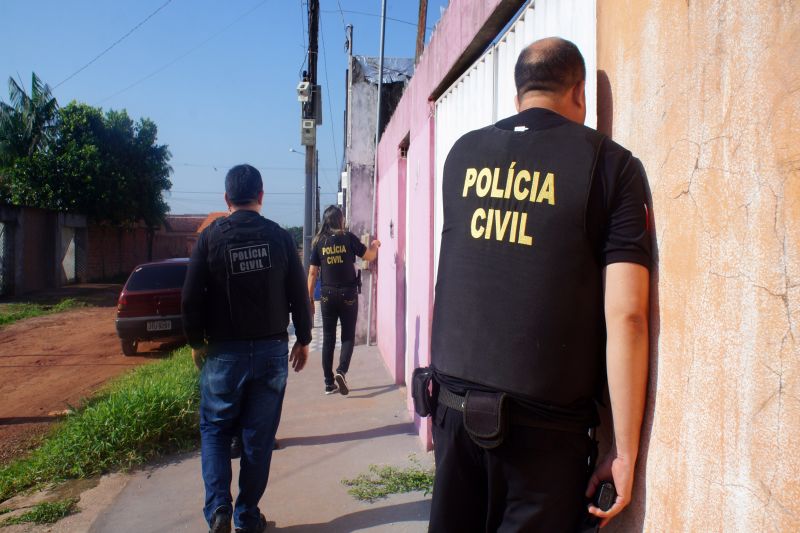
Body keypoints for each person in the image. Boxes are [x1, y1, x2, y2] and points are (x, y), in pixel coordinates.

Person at [426, 37, 651, 532]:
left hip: (452, 414)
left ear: (518, 97)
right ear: (579, 93)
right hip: (543, 440)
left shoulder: (463, 155)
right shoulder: (613, 167)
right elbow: (628, 316)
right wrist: (625, 450)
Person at [182, 164, 312, 533]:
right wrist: (303, 339)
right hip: (271, 353)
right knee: (259, 437)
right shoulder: (280, 237)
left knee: (216, 429)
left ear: (227, 199)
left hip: (223, 354)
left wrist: (195, 341)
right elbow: (299, 295)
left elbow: (190, 297)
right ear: (261, 195)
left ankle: (219, 508)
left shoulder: (210, 238)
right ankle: (247, 515)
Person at [307, 205, 380, 395]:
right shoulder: (348, 238)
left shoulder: (319, 243)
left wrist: (308, 299)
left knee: (328, 339)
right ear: (340, 220)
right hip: (348, 294)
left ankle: (328, 383)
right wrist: (375, 245)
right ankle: (341, 371)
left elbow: (313, 272)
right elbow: (369, 256)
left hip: (327, 295)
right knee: (347, 336)